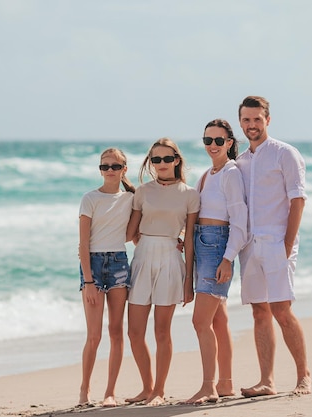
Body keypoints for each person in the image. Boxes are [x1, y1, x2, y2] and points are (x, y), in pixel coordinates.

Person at [236, 96, 312, 397]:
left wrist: (287, 243)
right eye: (246, 120)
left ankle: (303, 376)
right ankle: (267, 381)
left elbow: (298, 200)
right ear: (241, 122)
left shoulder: (285, 154)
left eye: (256, 119)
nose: (251, 125)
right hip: (250, 245)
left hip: (278, 242)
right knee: (259, 311)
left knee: (281, 308)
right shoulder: (240, 161)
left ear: (267, 120)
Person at [124, 138, 199, 406]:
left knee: (162, 332)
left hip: (170, 259)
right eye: (156, 159)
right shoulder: (142, 192)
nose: (162, 164)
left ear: (177, 160)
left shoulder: (190, 194)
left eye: (167, 159)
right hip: (143, 258)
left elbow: (189, 239)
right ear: (151, 163)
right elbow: (130, 233)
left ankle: (159, 390)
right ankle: (146, 387)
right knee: (134, 332)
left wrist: (189, 279)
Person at [183, 119, 248, 404]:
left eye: (218, 141)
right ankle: (225, 384)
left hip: (217, 247)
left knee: (200, 321)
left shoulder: (231, 173)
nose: (212, 145)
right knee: (219, 321)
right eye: (207, 140)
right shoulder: (208, 174)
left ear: (230, 144)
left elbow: (240, 222)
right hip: (202, 243)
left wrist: (227, 259)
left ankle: (208, 386)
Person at [78, 148, 135, 407]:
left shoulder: (132, 199)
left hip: (119, 264)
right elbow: (83, 244)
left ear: (124, 169)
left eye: (115, 166)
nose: (109, 170)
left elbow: (136, 233)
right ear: (100, 170)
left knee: (115, 331)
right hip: (94, 264)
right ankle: (84, 390)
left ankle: (110, 392)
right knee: (94, 335)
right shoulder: (90, 199)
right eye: (104, 166)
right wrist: (88, 282)